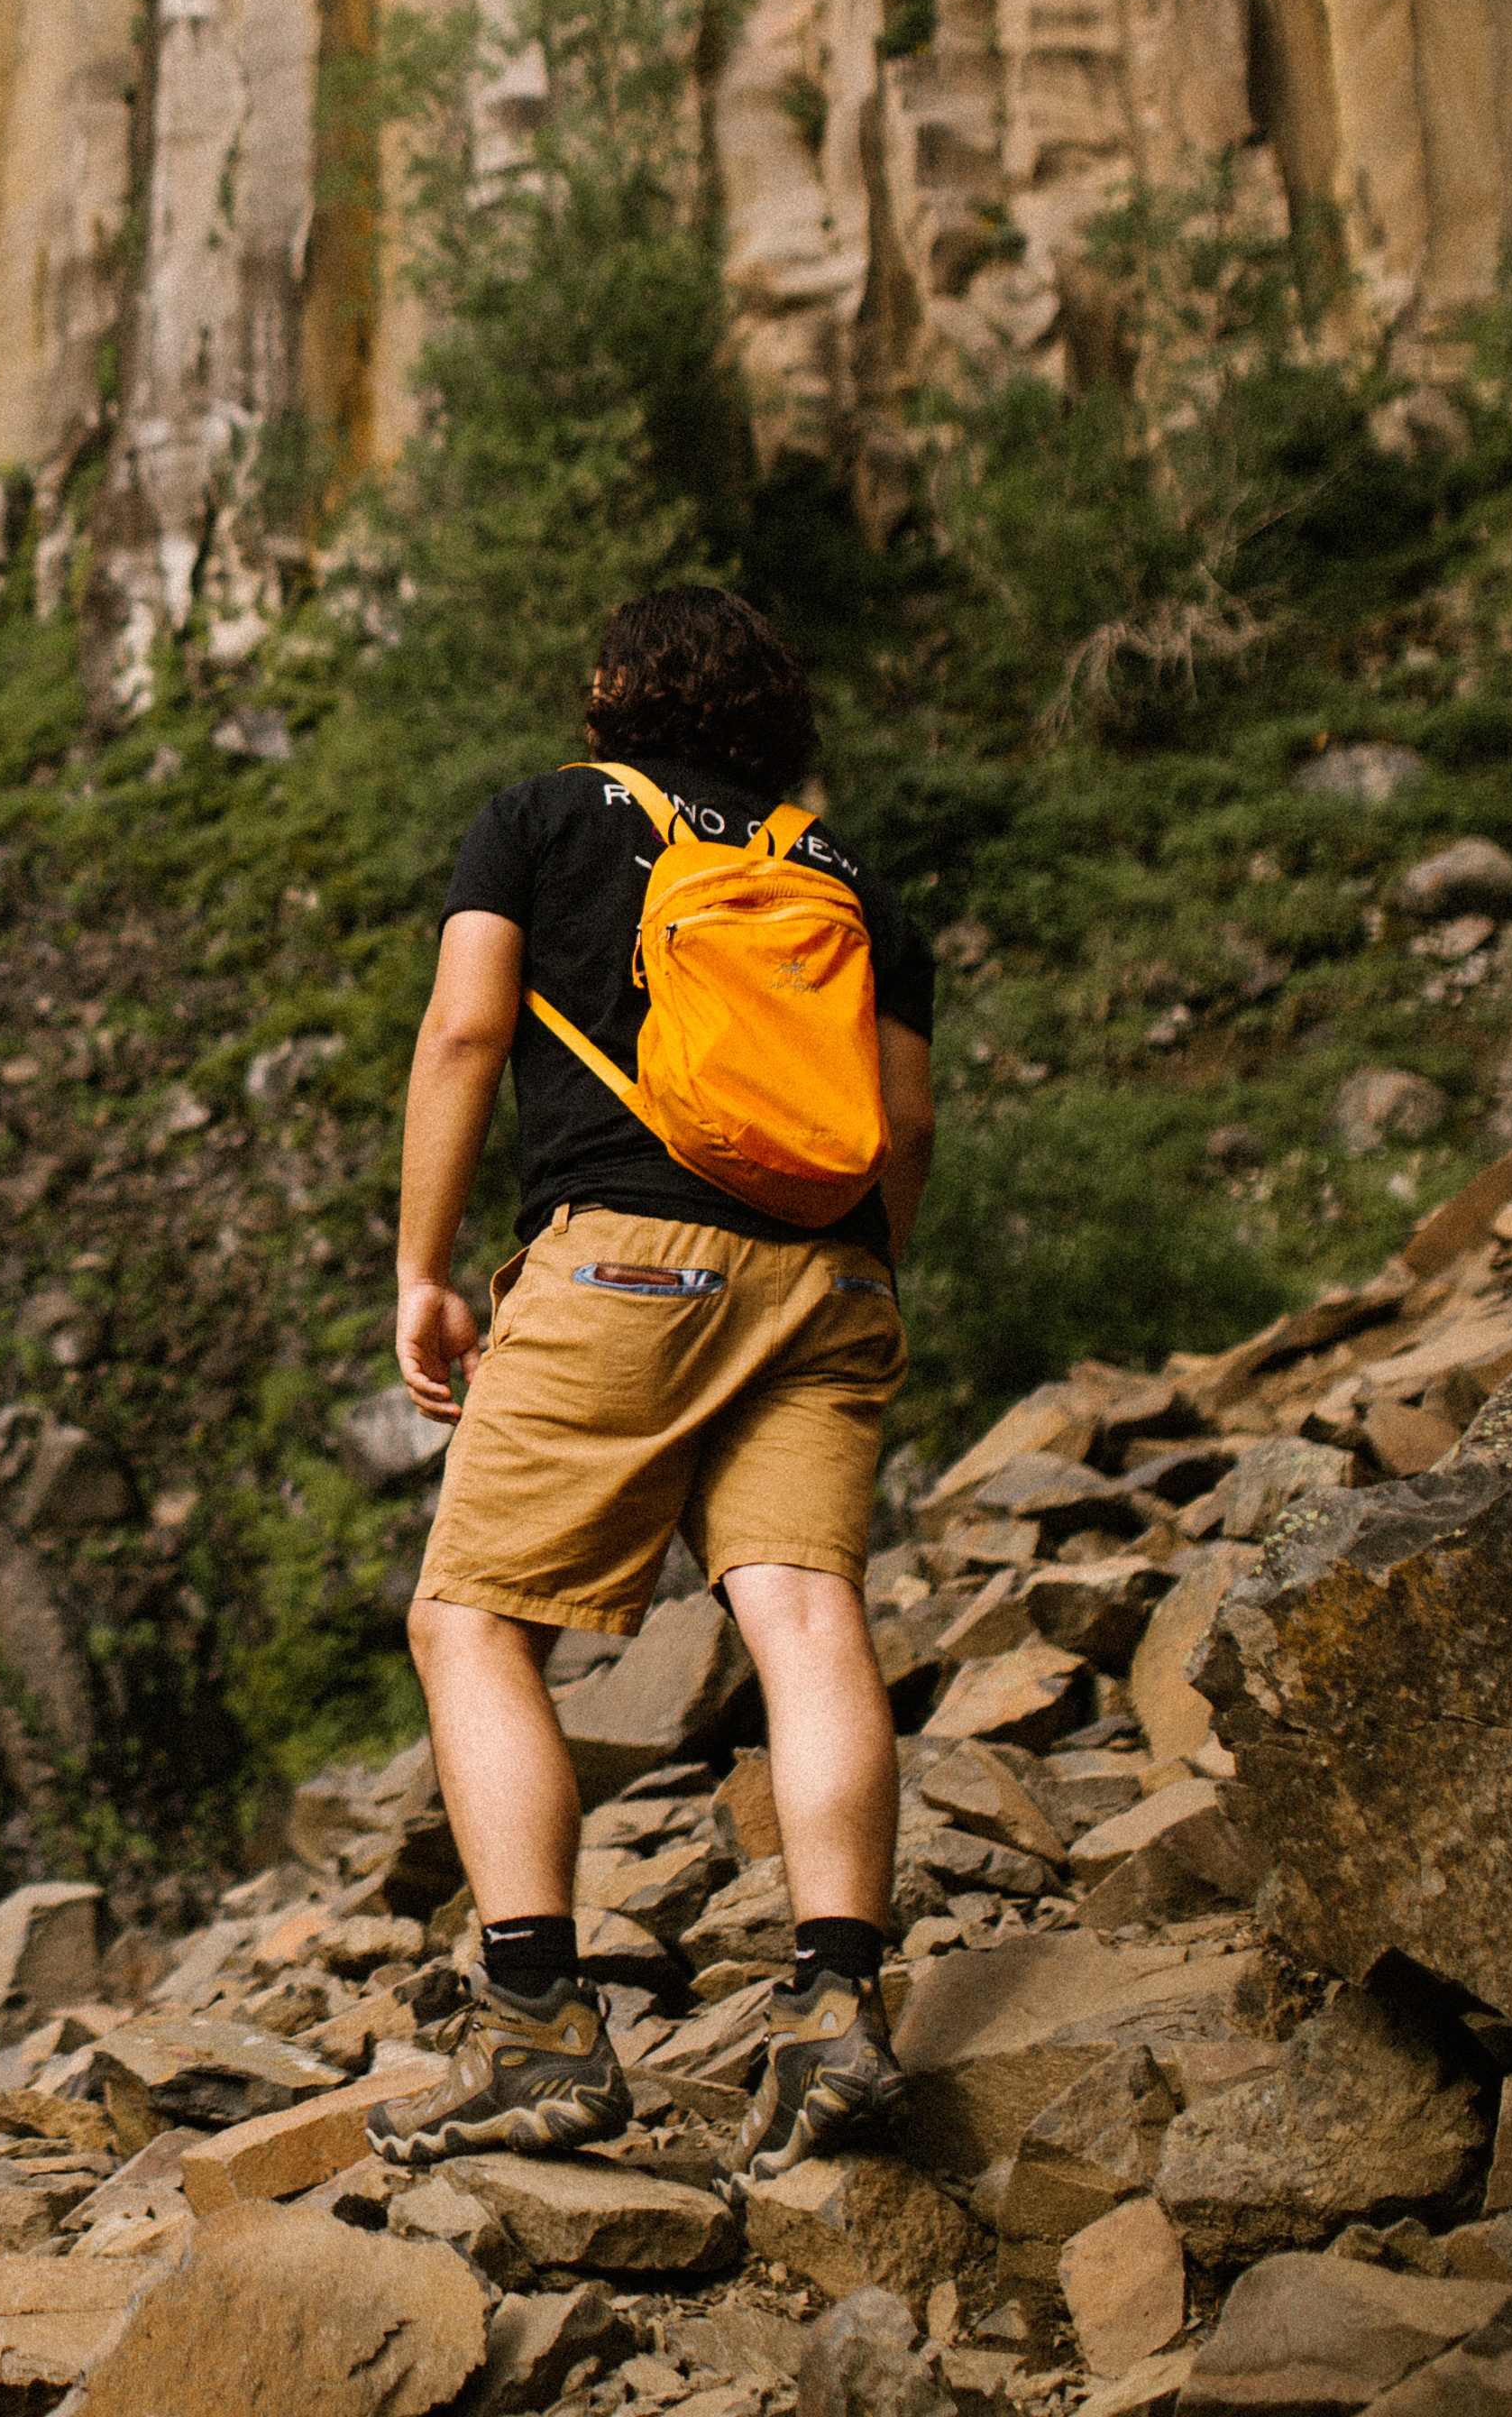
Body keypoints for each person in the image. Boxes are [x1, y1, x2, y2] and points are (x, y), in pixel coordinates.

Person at [376, 587, 935, 2183]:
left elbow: (468, 1033)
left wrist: (425, 1269)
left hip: (624, 1261)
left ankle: (541, 2028)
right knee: (808, 1614)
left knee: (472, 1619)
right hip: (831, 1276)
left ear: (615, 691)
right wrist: (861, 1282)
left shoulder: (539, 823)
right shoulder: (855, 884)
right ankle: (838, 2009)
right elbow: (899, 1128)